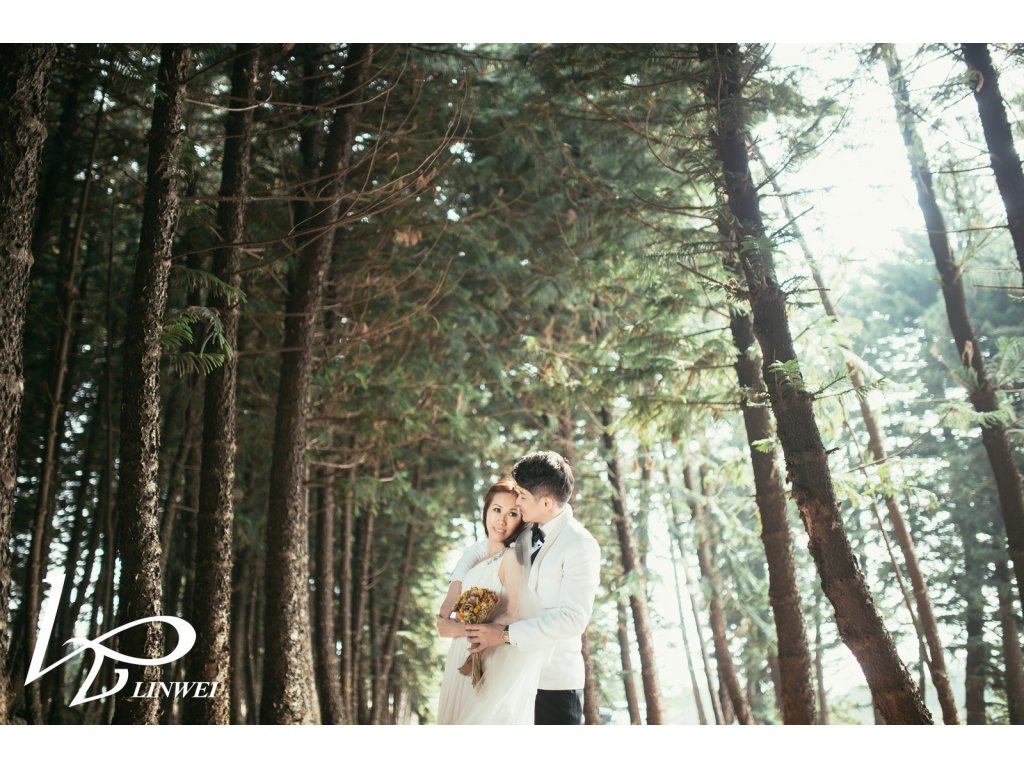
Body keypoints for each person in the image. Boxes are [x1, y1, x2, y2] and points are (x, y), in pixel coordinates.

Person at [465, 451, 600, 725]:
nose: (517, 502)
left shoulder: (581, 545)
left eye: (523, 496)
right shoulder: (524, 533)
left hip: (553, 683)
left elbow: (572, 619)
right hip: (510, 677)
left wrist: (503, 635)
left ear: (547, 502)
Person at [435, 479, 547, 724]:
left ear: (522, 520)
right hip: (462, 656)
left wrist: (458, 630)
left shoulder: (512, 558)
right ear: (486, 511)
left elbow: (515, 615)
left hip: (488, 661)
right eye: (497, 510)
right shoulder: (476, 560)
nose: (502, 520)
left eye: (512, 514)